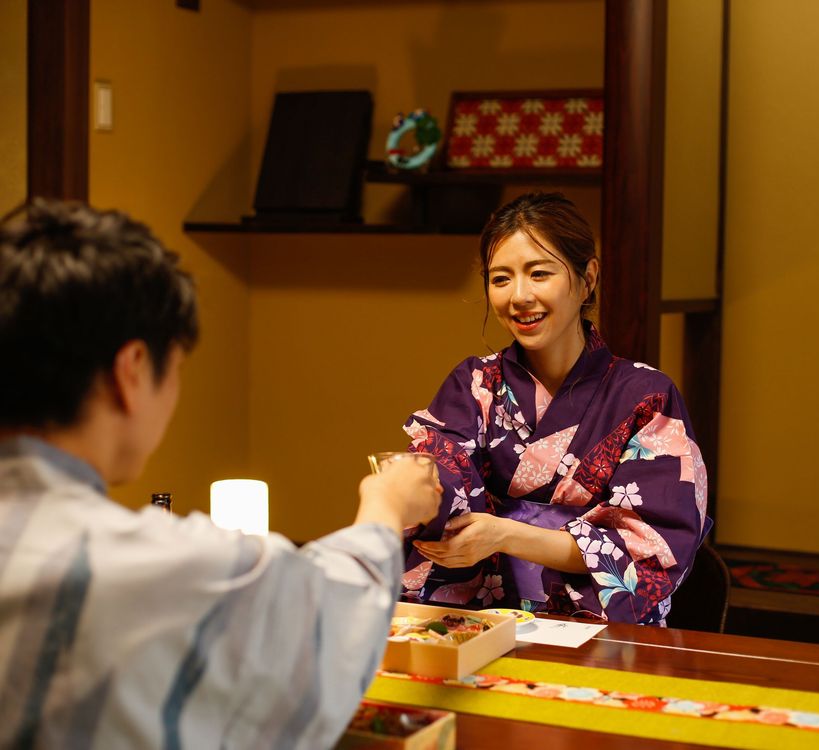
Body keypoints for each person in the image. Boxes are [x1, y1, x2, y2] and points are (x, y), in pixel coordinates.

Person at [0, 199, 441, 749]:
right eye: (177, 368)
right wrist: (385, 505)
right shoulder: (155, 564)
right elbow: (328, 619)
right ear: (132, 370)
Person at [401, 192, 710, 626]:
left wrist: (505, 534)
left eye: (539, 273)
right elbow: (444, 470)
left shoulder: (646, 396)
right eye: (501, 278)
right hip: (482, 614)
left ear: (587, 279)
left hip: (594, 621)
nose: (519, 296)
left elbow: (652, 541)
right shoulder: (474, 385)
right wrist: (408, 489)